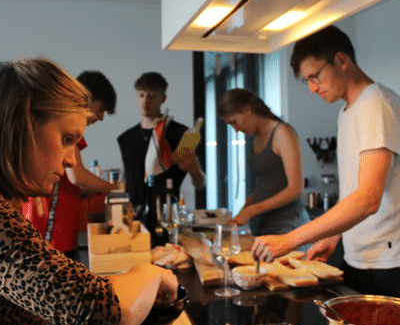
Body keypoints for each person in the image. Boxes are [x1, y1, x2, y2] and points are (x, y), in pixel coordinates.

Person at [0, 57, 178, 325]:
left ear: (163, 97)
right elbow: (102, 311)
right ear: (19, 126)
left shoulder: (181, 134)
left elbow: (188, 175)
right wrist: (148, 271)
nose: (71, 158)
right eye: (66, 139)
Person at [252, 24, 400, 298]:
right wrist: (331, 235)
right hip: (360, 258)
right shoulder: (348, 111)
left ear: (341, 60)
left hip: (388, 265)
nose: (312, 88)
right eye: (306, 80)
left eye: (315, 76)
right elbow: (354, 189)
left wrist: (290, 239)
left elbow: (368, 199)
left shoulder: (375, 105)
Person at [22, 70, 118, 258]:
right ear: (86, 98)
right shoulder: (67, 130)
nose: (101, 117)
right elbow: (77, 176)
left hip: (59, 228)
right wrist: (115, 189)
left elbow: (67, 180)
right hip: (52, 232)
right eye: (100, 109)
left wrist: (85, 192)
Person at [218, 88, 309, 238]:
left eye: (234, 122)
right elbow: (266, 185)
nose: (235, 130)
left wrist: (250, 211)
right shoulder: (256, 137)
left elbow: (296, 189)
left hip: (288, 225)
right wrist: (244, 210)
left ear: (247, 110)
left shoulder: (283, 132)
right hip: (262, 224)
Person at [117, 72, 205, 216]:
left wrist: (194, 171)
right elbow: (123, 180)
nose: (145, 101)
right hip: (133, 217)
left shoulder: (181, 134)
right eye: (141, 95)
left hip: (167, 215)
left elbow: (200, 183)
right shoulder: (127, 138)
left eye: (151, 96)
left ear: (163, 98)